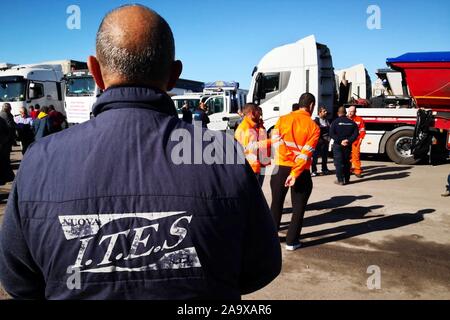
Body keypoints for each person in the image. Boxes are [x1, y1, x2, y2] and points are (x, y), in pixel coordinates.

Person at [0, 4, 281, 300]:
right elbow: (261, 265)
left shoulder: (39, 159)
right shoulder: (221, 153)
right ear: (173, 76)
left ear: (94, 71)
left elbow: (19, 281)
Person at [270, 93, 320, 251]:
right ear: (311, 105)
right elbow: (305, 154)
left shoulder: (282, 119)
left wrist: (287, 158)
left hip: (280, 167)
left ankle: (271, 238)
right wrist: (294, 172)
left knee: (276, 204)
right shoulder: (314, 127)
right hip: (300, 172)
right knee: (298, 208)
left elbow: (276, 143)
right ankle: (292, 242)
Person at [234, 103, 269, 186]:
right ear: (253, 113)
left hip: (259, 165)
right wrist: (272, 141)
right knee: (252, 195)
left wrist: (261, 126)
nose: (260, 115)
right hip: (251, 169)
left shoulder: (254, 126)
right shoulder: (245, 128)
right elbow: (250, 147)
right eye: (258, 113)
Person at [330, 107, 359, 185]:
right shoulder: (352, 122)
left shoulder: (335, 122)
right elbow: (356, 134)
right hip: (347, 145)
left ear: (338, 113)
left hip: (338, 145)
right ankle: (347, 179)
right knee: (346, 162)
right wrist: (348, 141)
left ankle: (340, 180)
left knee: (338, 163)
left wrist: (340, 141)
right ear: (345, 113)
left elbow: (331, 133)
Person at [311, 106, 331, 176]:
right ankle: (314, 171)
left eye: (326, 111)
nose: (326, 112)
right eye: (324, 111)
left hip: (325, 142)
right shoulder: (315, 121)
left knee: (325, 156)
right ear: (319, 112)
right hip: (318, 142)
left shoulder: (326, 120)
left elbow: (329, 129)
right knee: (315, 157)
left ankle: (324, 169)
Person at [347, 105, 366, 178]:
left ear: (355, 112)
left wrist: (361, 138)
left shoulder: (359, 119)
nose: (350, 113)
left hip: (356, 141)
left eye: (352, 111)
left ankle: (357, 171)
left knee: (356, 156)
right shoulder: (345, 119)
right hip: (347, 141)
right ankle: (348, 169)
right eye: (349, 111)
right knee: (347, 156)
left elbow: (362, 130)